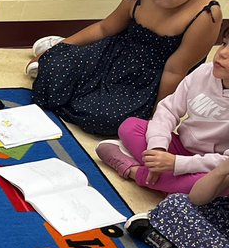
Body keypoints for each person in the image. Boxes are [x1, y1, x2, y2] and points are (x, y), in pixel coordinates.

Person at [30, 0, 221, 138]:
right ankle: (55, 45)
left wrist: (159, 118)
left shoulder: (205, 16)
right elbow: (104, 28)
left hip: (150, 78)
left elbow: (175, 71)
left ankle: (78, 86)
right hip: (114, 54)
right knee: (53, 66)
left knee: (103, 119)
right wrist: (62, 47)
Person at [96, 33, 229, 194]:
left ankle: (133, 170)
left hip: (213, 165)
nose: (222, 53)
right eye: (224, 44)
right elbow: (168, 110)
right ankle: (165, 177)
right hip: (180, 146)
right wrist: (158, 148)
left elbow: (225, 163)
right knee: (130, 126)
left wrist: (177, 164)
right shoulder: (204, 72)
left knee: (215, 186)